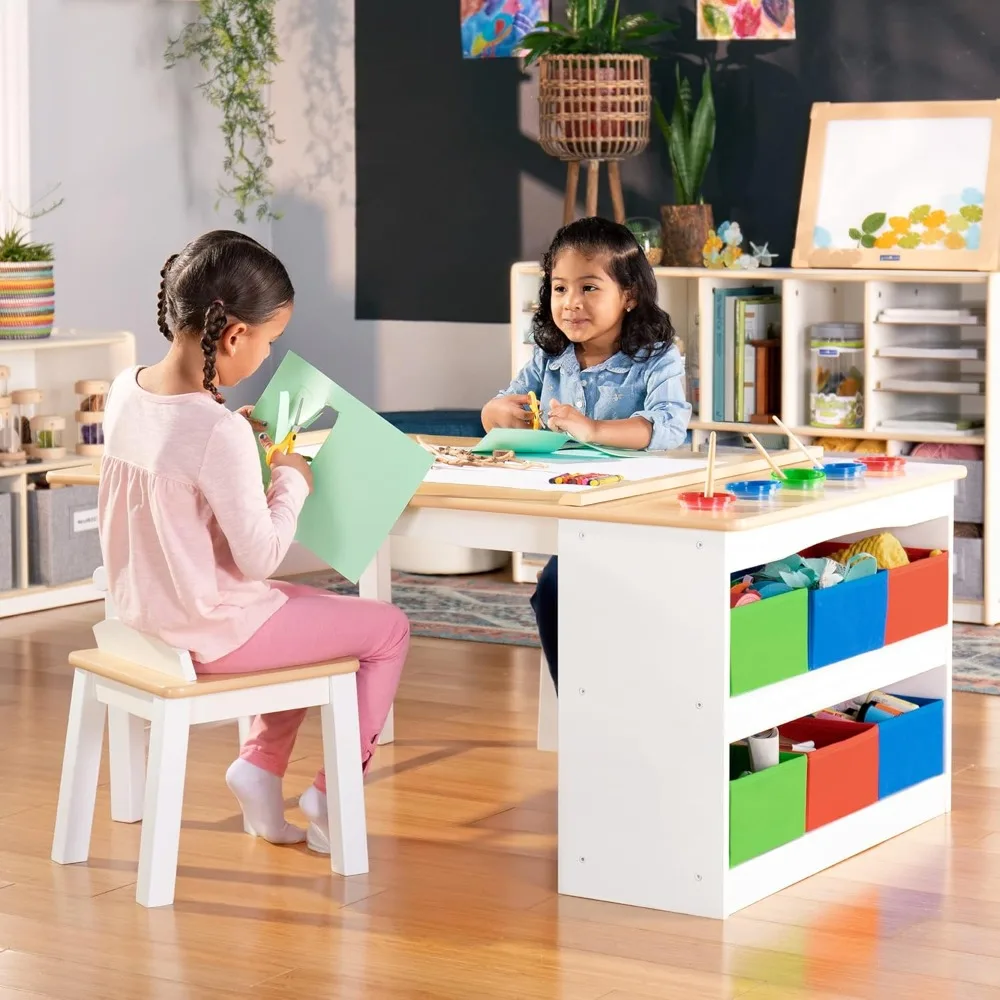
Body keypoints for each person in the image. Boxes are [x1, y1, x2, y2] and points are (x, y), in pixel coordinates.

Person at [98, 230, 409, 853]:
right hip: (205, 631)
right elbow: (261, 554)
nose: (268, 356)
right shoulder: (216, 432)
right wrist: (290, 480)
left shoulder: (124, 390)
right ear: (235, 334)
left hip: (142, 622)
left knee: (290, 611)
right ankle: (332, 793)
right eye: (269, 341)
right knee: (387, 629)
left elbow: (179, 481)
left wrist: (234, 446)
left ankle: (261, 771)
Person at [480, 217, 692, 690]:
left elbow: (670, 425)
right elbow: (501, 408)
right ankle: (577, 702)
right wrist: (494, 413)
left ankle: (611, 698)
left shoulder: (656, 358)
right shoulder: (548, 358)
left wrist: (593, 428)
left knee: (584, 592)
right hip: (572, 511)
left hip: (637, 516)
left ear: (630, 296)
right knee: (554, 591)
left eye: (589, 287)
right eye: (559, 288)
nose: (571, 302)